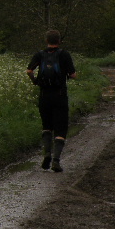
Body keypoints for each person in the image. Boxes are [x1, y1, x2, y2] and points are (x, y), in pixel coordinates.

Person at [27, 29, 77, 172]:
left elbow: (29, 71)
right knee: (60, 128)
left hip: (44, 95)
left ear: (46, 41)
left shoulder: (40, 54)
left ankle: (47, 154)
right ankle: (56, 160)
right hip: (60, 95)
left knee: (46, 125)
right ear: (59, 41)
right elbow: (72, 75)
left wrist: (35, 81)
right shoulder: (64, 54)